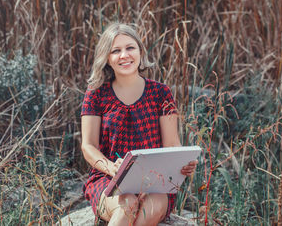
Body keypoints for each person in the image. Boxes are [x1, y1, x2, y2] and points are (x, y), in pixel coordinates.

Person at [80, 22, 198, 226]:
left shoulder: (161, 93)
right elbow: (88, 146)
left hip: (154, 182)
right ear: (107, 58)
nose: (124, 55)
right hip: (107, 178)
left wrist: (183, 163)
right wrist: (111, 168)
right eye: (115, 50)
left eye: (130, 48)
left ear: (140, 52)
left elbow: (172, 144)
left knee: (154, 205)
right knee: (128, 204)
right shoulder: (95, 94)